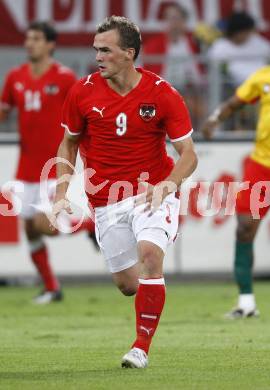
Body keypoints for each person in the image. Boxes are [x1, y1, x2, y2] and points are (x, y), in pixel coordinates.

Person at [51, 15, 197, 368]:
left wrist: (169, 184)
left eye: (106, 50)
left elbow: (189, 154)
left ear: (129, 53)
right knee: (128, 284)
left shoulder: (162, 93)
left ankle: (140, 348)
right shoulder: (82, 91)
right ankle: (144, 293)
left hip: (153, 191)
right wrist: (60, 193)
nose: (97, 56)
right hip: (106, 202)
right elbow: (68, 144)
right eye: (96, 50)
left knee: (150, 255)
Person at [0, 21, 96, 304]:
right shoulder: (15, 77)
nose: (30, 43)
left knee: (44, 224)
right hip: (26, 168)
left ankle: (92, 227)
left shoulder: (65, 78)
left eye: (37, 39)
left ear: (51, 44)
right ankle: (52, 288)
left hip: (55, 167)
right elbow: (4, 111)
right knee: (30, 228)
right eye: (28, 38)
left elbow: (83, 116)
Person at [202, 65, 270, 318]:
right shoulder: (263, 76)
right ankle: (246, 303)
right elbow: (234, 103)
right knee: (244, 227)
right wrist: (215, 118)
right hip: (262, 166)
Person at [208, 12, 270, 87]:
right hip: (231, 88)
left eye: (249, 32)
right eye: (245, 32)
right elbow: (219, 70)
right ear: (235, 32)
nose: (248, 35)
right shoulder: (219, 47)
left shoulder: (259, 43)